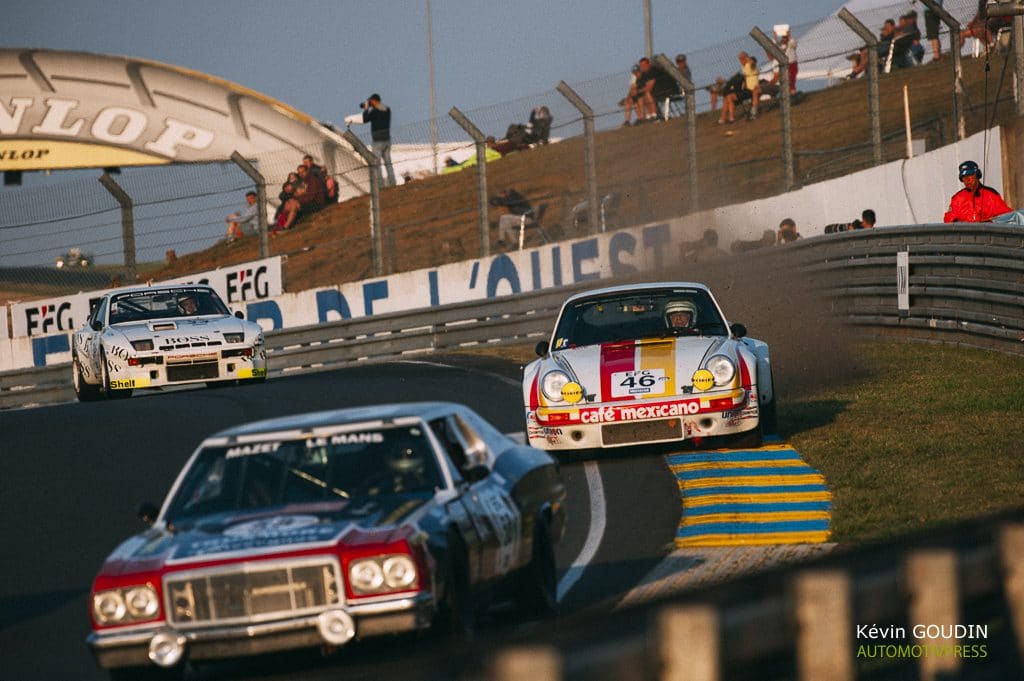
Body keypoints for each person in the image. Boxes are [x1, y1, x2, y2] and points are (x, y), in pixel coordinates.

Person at [345, 93, 395, 187]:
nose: (370, 102)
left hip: (377, 141)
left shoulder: (375, 111)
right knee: (388, 163)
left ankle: (381, 185)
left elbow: (365, 119)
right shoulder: (387, 109)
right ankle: (392, 183)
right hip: (387, 139)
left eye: (371, 101)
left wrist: (366, 109)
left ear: (375, 101)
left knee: (377, 163)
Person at [943, 160, 1011, 223]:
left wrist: (988, 222)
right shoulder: (957, 198)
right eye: (964, 177)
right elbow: (948, 220)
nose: (967, 180)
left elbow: (1007, 217)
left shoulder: (991, 195)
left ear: (978, 175)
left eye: (970, 175)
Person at [739, 51, 761, 120]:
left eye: (741, 58)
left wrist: (748, 59)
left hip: (754, 87)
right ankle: (748, 113)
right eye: (739, 59)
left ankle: (753, 113)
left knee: (755, 93)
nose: (740, 61)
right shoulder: (744, 67)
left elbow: (753, 64)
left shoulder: (751, 64)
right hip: (746, 88)